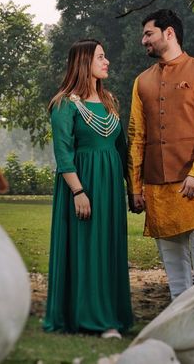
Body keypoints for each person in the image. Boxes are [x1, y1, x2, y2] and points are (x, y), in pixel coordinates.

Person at [127, 9, 194, 300]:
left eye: (149, 34)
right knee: (174, 267)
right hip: (157, 188)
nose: (143, 40)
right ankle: (182, 321)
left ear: (168, 33)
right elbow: (136, 136)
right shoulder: (141, 82)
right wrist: (135, 187)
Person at [43, 39, 134, 338]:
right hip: (83, 185)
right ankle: (93, 318)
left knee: (108, 249)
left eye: (105, 56)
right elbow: (63, 152)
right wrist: (78, 191)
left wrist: (133, 188)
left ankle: (112, 313)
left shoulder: (110, 102)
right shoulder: (64, 104)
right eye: (100, 57)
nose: (107, 61)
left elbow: (122, 150)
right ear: (84, 62)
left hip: (110, 187)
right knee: (88, 248)